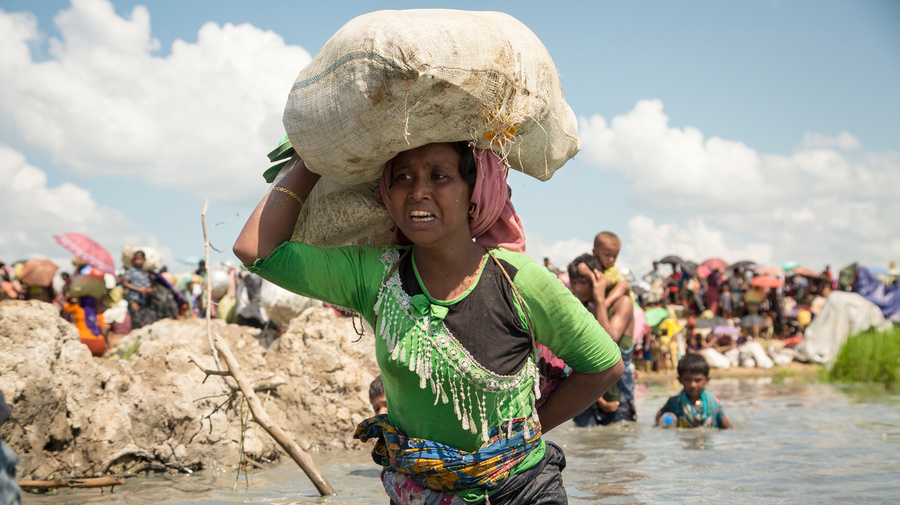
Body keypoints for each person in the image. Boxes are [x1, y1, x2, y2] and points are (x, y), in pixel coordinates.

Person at [234, 142, 623, 504]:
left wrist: (529, 432)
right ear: (387, 194)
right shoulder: (374, 276)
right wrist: (313, 156)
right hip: (418, 493)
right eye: (403, 176)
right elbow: (255, 250)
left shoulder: (519, 280)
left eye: (439, 176)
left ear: (474, 193)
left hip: (522, 490)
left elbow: (604, 366)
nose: (418, 191)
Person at [567, 252, 636, 426]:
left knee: (618, 438)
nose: (577, 289)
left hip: (618, 393)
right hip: (588, 393)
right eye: (574, 283)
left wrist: (599, 299)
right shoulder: (580, 308)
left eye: (583, 282)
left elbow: (609, 339)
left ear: (598, 280)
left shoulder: (622, 302)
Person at [655, 354, 731, 429]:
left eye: (698, 380)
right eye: (687, 380)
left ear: (707, 380)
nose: (693, 385)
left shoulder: (714, 404)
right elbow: (659, 416)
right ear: (680, 380)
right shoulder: (674, 403)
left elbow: (728, 428)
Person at [119, 251, 157, 329]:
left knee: (144, 320)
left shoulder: (146, 273)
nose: (137, 261)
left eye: (139, 259)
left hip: (144, 301)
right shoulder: (130, 271)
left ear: (144, 260)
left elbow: (151, 286)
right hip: (134, 299)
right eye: (136, 259)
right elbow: (125, 284)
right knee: (136, 319)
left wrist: (149, 290)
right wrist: (139, 289)